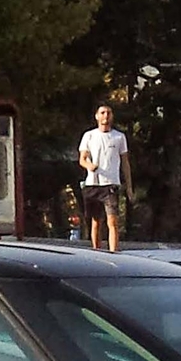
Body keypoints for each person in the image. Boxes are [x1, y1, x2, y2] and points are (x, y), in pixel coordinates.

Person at [76, 103, 129, 253]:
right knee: (95, 222)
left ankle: (113, 252)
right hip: (93, 183)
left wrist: (129, 187)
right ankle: (96, 250)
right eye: (103, 113)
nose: (106, 116)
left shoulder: (119, 137)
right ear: (97, 116)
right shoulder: (89, 135)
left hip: (110, 184)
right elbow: (82, 158)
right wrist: (89, 165)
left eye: (108, 113)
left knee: (112, 220)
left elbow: (125, 162)